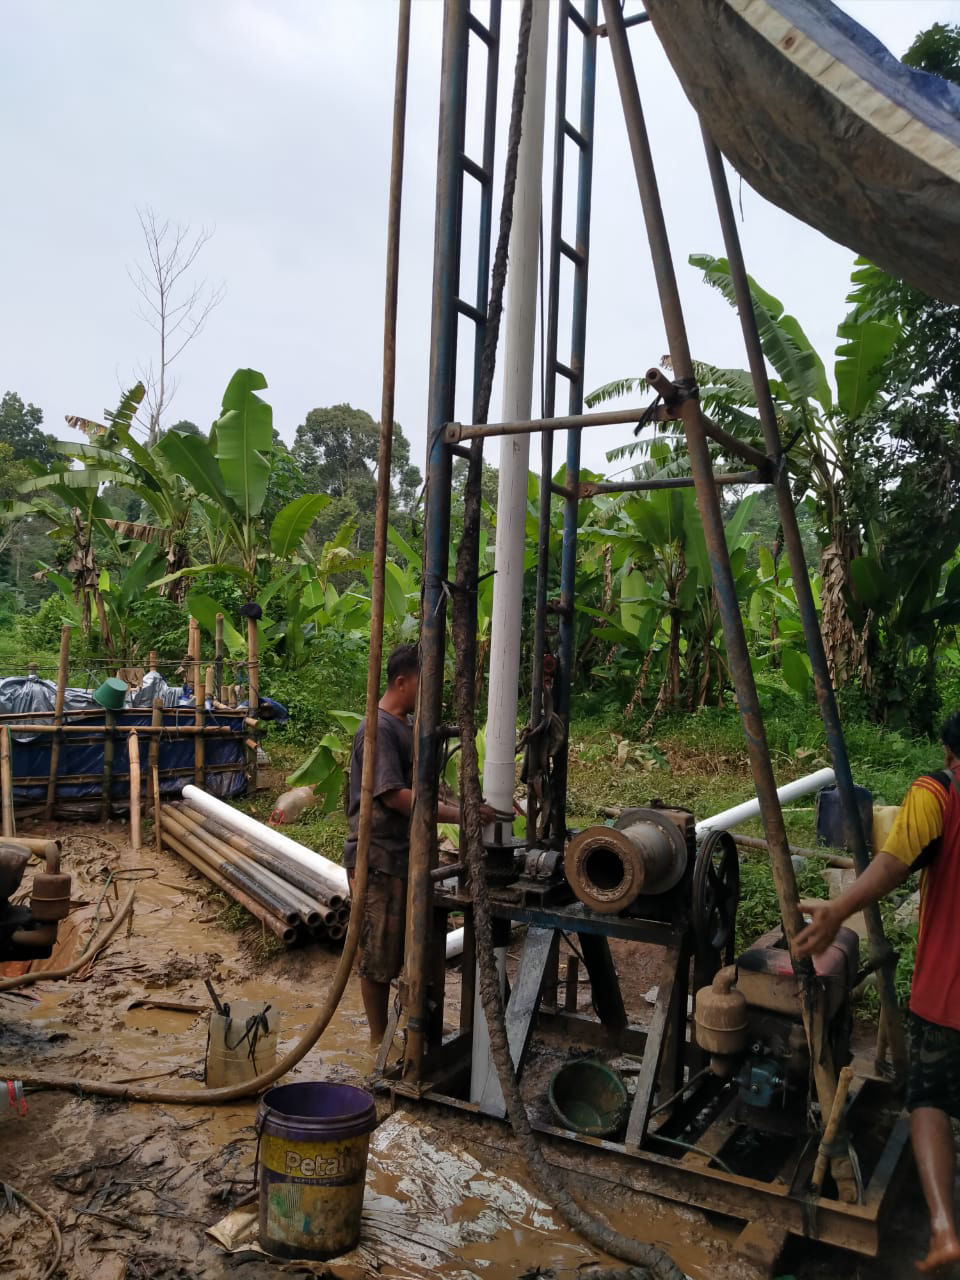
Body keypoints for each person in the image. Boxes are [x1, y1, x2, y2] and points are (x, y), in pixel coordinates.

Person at [796, 710, 960, 1275]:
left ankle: (944, 1229)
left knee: (929, 1101)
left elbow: (892, 863)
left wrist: (837, 909)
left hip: (947, 993)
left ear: (949, 752)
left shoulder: (938, 792)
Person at [342, 643, 495, 1047]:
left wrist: (466, 802)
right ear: (401, 682)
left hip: (406, 856)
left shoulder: (407, 726)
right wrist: (461, 814)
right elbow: (395, 795)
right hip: (378, 857)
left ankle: (416, 1025)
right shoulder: (378, 730)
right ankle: (378, 1040)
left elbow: (426, 786)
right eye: (424, 683)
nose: (430, 693)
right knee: (379, 952)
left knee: (416, 945)